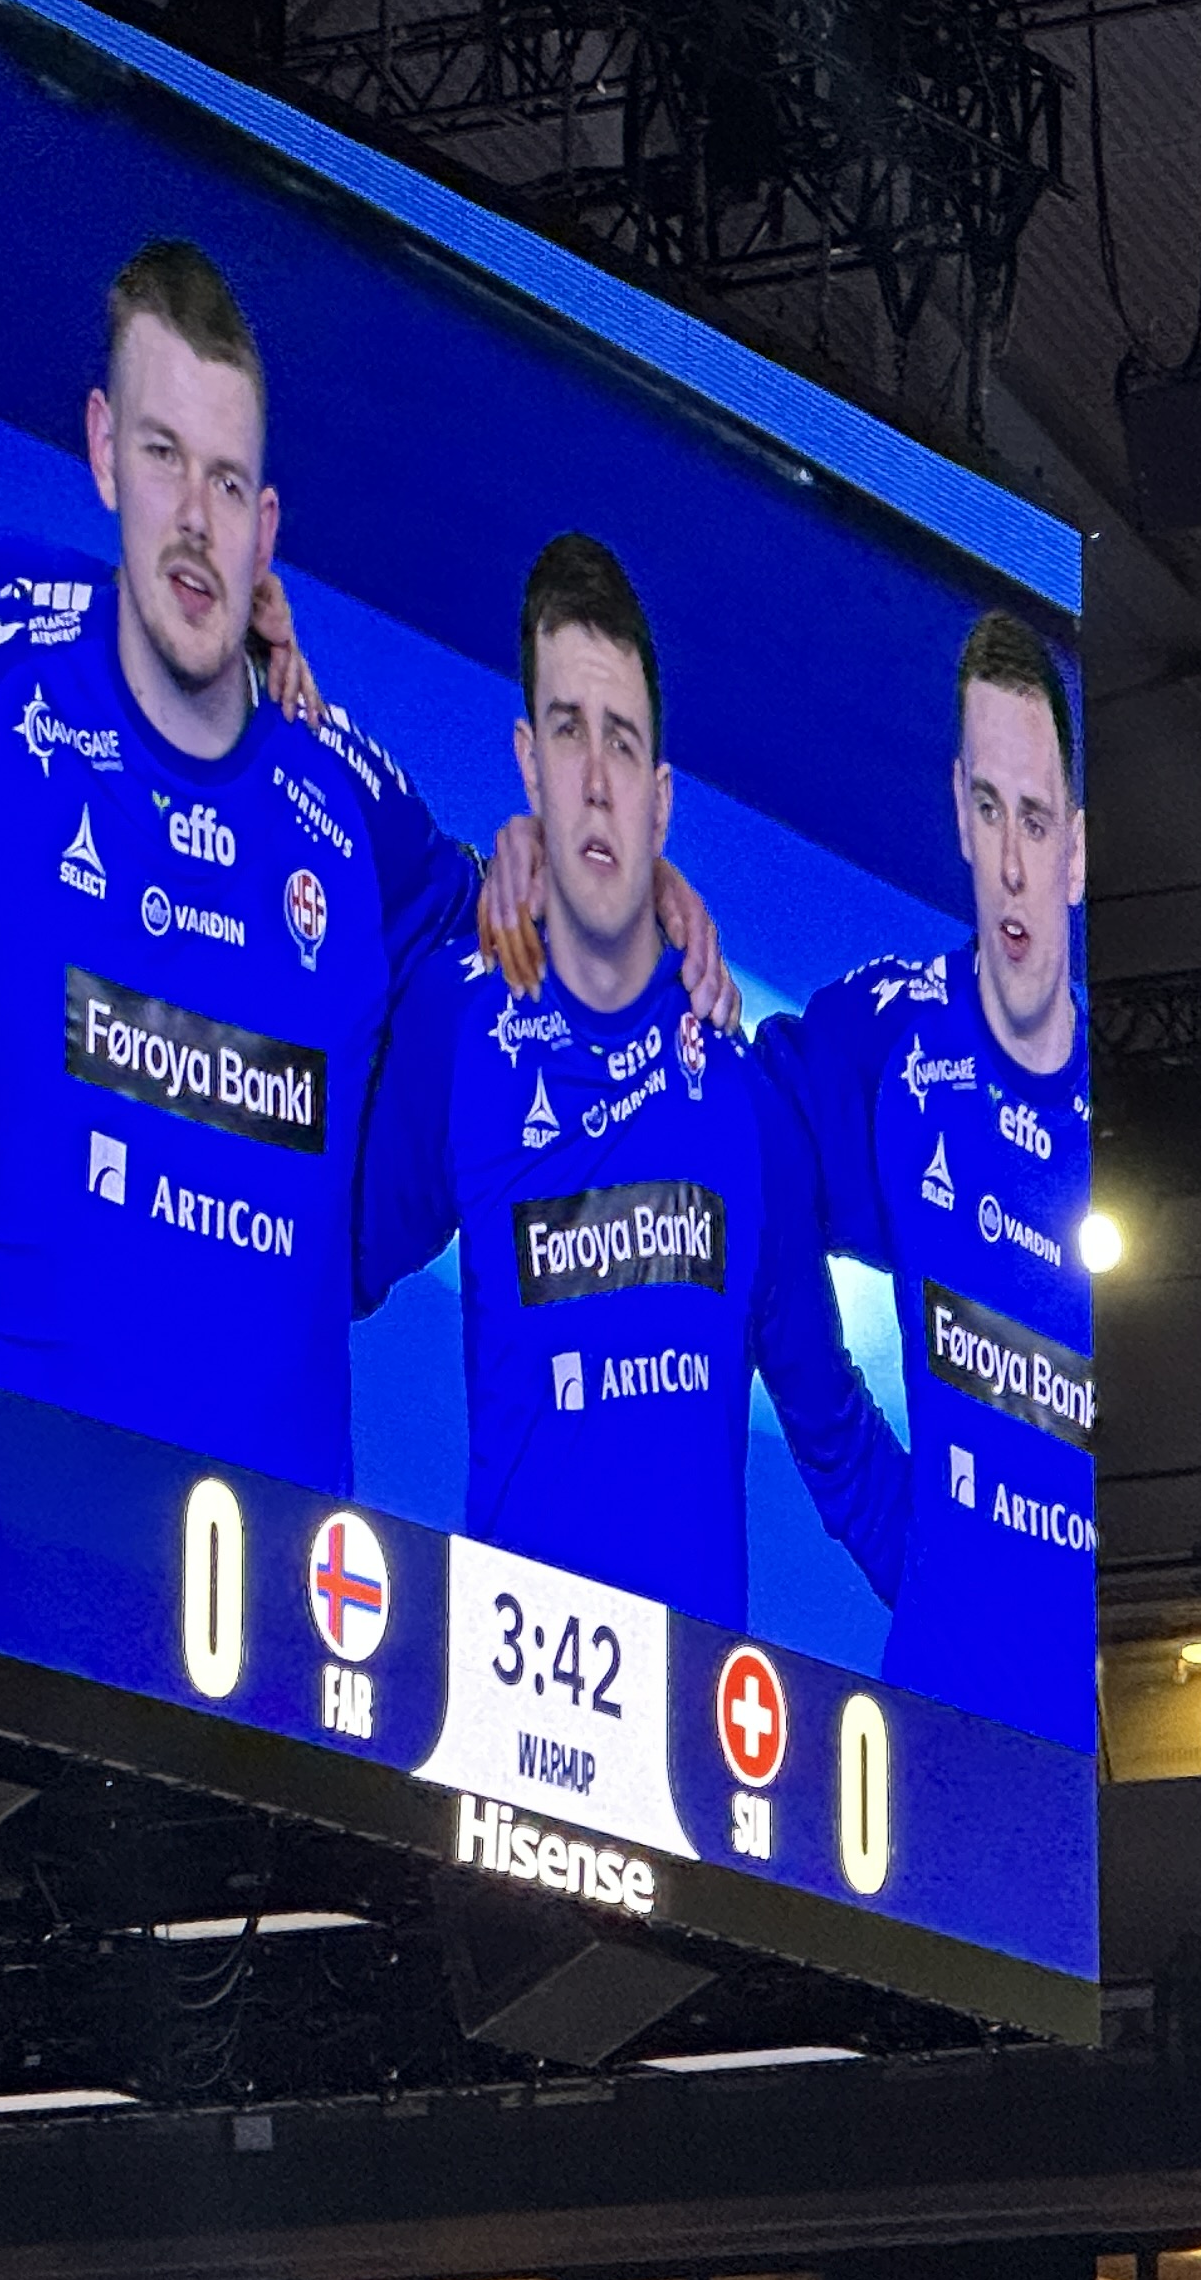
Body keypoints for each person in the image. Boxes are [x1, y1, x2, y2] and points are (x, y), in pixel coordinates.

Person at [0, 243, 746, 1497]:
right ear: (103, 449)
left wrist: (615, 880)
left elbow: (503, 922)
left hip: (289, 1581)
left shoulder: (342, 792)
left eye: (229, 483)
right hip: (32, 1538)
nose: (197, 518)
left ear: (267, 525)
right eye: (163, 456)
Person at [353, 535, 909, 1627]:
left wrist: (1004, 1645)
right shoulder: (460, 1031)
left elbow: (839, 1442)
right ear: (529, 762)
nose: (597, 784)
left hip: (703, 1719)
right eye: (569, 733)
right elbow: (321, 1267)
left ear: (662, 798)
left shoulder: (747, 1107)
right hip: (500, 1699)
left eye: (622, 741)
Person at [755, 611, 1094, 1741]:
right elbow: (756, 1139)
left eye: (1035, 820)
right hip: (937, 1725)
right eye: (989, 810)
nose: (1011, 866)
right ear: (958, 809)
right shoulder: (895, 1036)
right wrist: (869, 1495)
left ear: (1077, 851)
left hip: (1104, 1757)